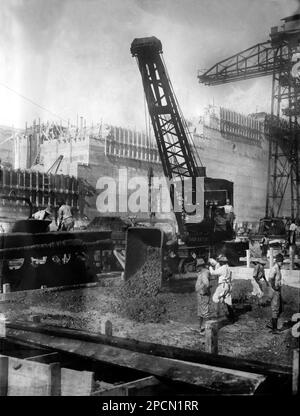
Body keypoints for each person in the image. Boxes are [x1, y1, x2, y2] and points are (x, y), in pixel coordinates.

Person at [209, 255, 235, 323]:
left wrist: (210, 267)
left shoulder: (222, 268)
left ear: (221, 262)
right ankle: (232, 317)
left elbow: (213, 273)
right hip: (228, 285)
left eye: (219, 261)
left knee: (215, 298)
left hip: (223, 285)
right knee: (228, 301)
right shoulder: (228, 268)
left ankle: (217, 315)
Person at [267, 253, 284, 334]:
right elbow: (270, 279)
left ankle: (271, 323)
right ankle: (274, 329)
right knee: (276, 309)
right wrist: (274, 288)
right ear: (278, 261)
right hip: (274, 291)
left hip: (277, 291)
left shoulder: (278, 268)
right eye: (281, 261)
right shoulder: (275, 268)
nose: (282, 263)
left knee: (280, 308)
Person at [195, 258, 211, 333]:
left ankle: (208, 330)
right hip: (200, 295)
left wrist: (203, 292)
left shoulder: (204, 273)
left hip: (203, 295)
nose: (197, 268)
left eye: (198, 266)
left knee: (205, 312)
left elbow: (206, 284)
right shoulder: (202, 272)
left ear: (200, 266)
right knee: (200, 312)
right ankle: (199, 328)